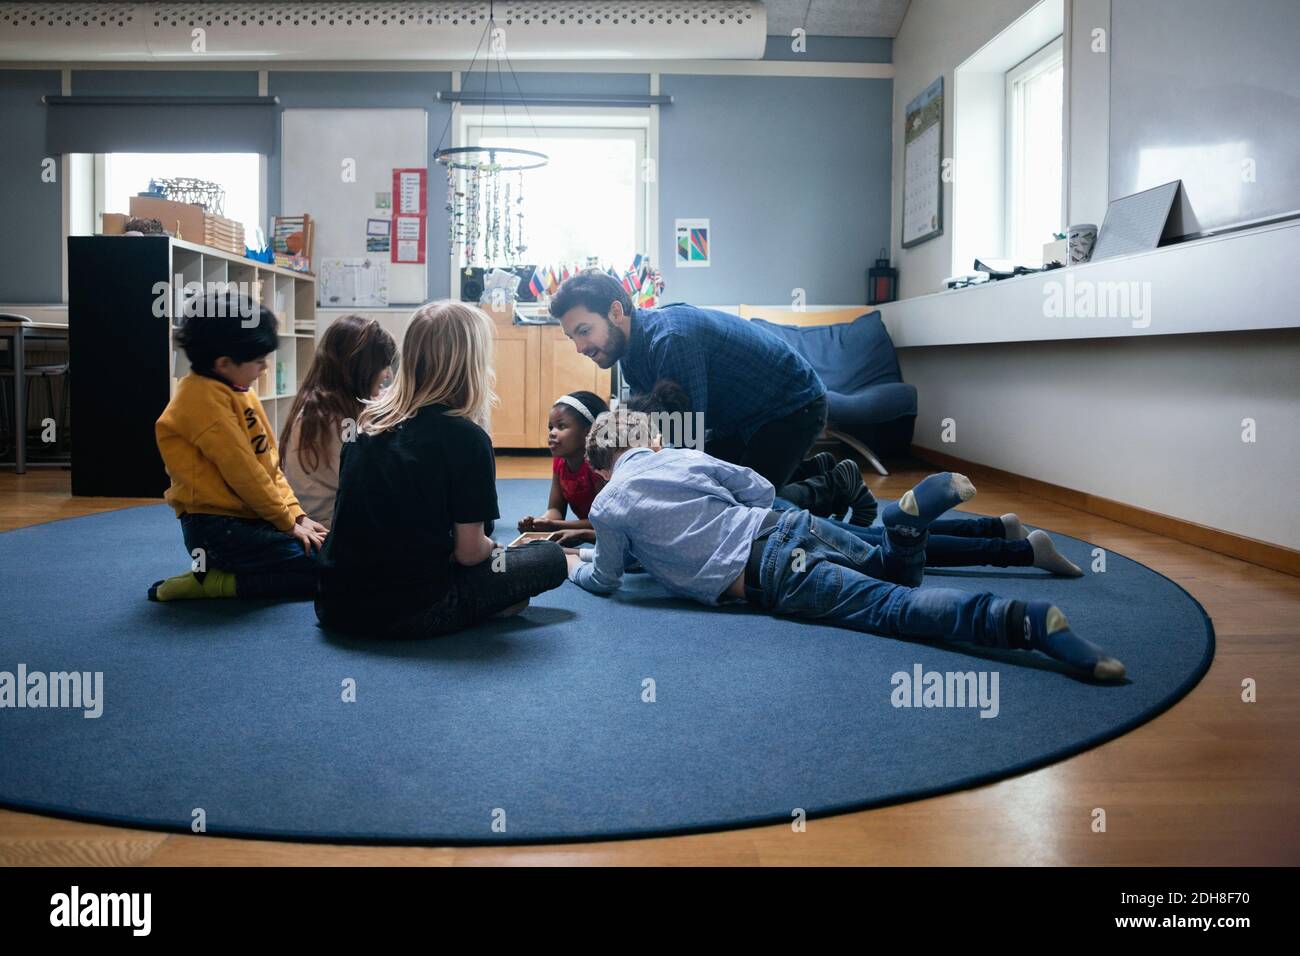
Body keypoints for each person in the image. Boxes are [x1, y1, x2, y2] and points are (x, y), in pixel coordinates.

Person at [566, 408, 1125, 681]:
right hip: (790, 529)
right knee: (895, 571)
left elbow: (607, 579)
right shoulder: (684, 457)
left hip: (770, 574)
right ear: (654, 440)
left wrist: (574, 567)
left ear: (598, 469)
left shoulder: (611, 504)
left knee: (893, 606)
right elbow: (760, 488)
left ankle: (1020, 622)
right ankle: (902, 526)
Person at [315, 301, 567, 639]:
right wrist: (495, 550)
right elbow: (468, 553)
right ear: (471, 364)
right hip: (415, 610)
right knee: (549, 557)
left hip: (336, 606)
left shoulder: (365, 423)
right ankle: (487, 604)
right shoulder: (467, 437)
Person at [549, 270, 837, 502]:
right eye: (572, 336)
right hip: (739, 419)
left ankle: (832, 485)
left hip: (791, 407)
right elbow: (651, 432)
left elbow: (687, 441)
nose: (579, 347)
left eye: (584, 331)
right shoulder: (628, 355)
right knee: (710, 484)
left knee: (735, 503)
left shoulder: (671, 340)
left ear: (615, 312)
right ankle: (813, 469)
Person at [149, 293, 327, 601]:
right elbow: (245, 473)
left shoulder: (239, 389)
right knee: (329, 571)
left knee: (333, 553)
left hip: (252, 518)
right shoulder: (201, 401)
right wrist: (286, 523)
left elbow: (268, 465)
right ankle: (214, 583)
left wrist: (296, 516)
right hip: (216, 530)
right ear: (224, 363)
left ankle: (218, 572)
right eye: (259, 361)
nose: (265, 369)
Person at [280, 315, 397, 529]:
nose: (387, 374)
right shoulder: (335, 418)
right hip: (330, 530)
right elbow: (363, 480)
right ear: (361, 367)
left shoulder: (323, 404)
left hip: (328, 522)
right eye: (383, 366)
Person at [518, 390, 610, 547]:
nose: (552, 433)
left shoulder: (598, 468)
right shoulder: (560, 462)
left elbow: (604, 521)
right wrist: (540, 522)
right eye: (550, 427)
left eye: (561, 426)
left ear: (588, 433)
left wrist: (555, 526)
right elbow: (555, 508)